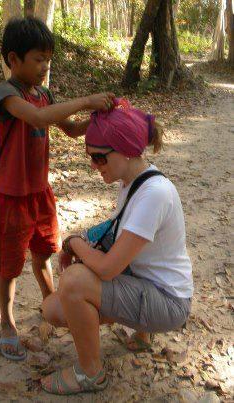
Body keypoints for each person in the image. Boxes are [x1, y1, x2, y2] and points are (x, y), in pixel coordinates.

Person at [40, 100, 194, 394]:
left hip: (169, 302)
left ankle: (90, 373)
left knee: (73, 282)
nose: (93, 166)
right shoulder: (134, 181)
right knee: (53, 309)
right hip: (151, 285)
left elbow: (109, 268)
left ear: (124, 150)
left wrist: (74, 243)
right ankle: (142, 334)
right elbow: (117, 229)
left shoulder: (154, 194)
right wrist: (82, 241)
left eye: (99, 158)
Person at [0, 16, 115, 361]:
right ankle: (7, 322)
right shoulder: (6, 94)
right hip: (11, 197)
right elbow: (37, 119)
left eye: (48, 59)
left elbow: (72, 129)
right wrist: (86, 100)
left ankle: (51, 304)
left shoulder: (44, 94)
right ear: (14, 59)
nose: (45, 67)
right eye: (38, 59)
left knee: (43, 252)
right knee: (9, 266)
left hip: (40, 194)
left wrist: (106, 115)